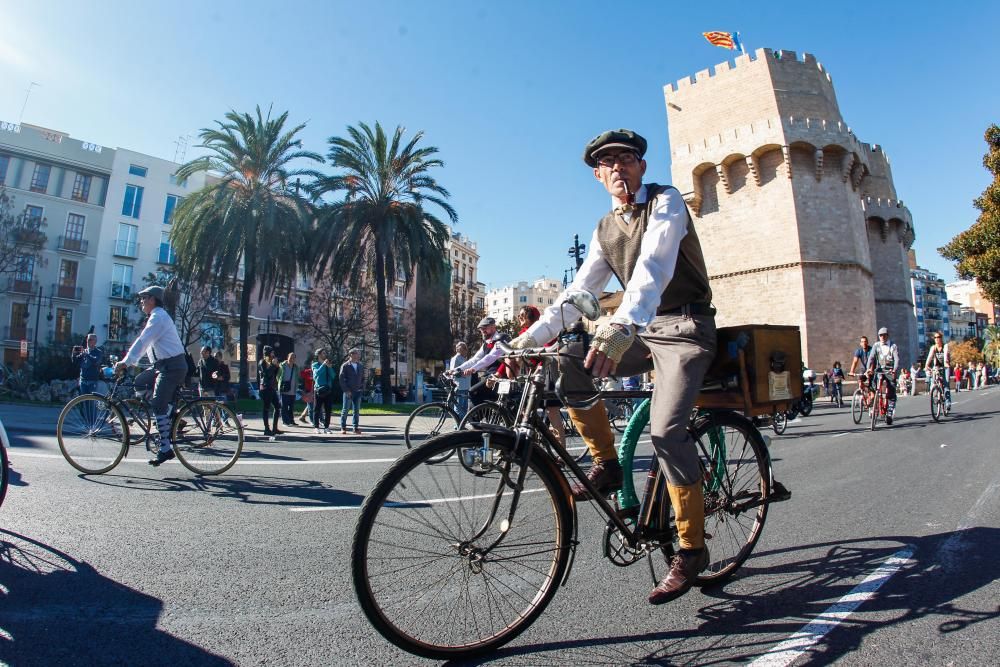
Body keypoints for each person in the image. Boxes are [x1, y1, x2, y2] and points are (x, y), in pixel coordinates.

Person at [511, 128, 717, 605]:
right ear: (597, 175)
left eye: (627, 158)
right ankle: (606, 461)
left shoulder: (666, 203)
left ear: (642, 166)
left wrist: (621, 323)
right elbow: (577, 297)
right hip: (641, 329)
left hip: (684, 327)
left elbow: (654, 264)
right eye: (608, 162)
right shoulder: (606, 228)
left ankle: (691, 548)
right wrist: (523, 342)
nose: (619, 167)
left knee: (667, 433)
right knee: (567, 357)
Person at [114, 285, 188, 466]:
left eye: (144, 298)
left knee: (158, 404)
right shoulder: (156, 317)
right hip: (163, 366)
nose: (141, 301)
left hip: (172, 367)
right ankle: (168, 414)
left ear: (152, 299)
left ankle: (165, 449)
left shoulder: (158, 317)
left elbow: (143, 340)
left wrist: (126, 362)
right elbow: (149, 348)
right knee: (140, 382)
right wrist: (130, 363)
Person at [450, 318, 512, 398]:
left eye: (485, 328)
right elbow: (475, 359)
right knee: (475, 395)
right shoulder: (486, 344)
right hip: (490, 375)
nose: (482, 331)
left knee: (473, 392)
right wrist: (456, 369)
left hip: (501, 375)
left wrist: (473, 369)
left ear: (493, 326)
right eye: (481, 329)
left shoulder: (501, 338)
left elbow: (490, 357)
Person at [866, 327, 899, 424]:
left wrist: (894, 369)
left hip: (889, 370)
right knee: (874, 385)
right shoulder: (876, 345)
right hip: (879, 370)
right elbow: (871, 358)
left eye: (884, 335)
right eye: (880, 335)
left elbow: (896, 359)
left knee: (891, 391)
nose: (882, 337)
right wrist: (868, 368)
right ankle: (874, 405)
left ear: (887, 336)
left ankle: (889, 412)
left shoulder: (893, 346)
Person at [257, 346, 282, 436]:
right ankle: (266, 429)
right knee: (266, 408)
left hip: (271, 388)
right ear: (267, 353)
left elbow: (274, 374)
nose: (273, 354)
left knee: (278, 406)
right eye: (271, 353)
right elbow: (266, 374)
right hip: (265, 388)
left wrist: (277, 367)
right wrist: (272, 365)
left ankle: (274, 428)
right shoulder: (262, 362)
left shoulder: (271, 362)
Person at [339, 348, 364, 434]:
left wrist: (362, 387)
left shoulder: (360, 365)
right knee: (345, 409)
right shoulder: (345, 365)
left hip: (358, 391)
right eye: (357, 354)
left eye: (358, 354)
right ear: (351, 355)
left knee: (356, 410)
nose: (358, 355)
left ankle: (355, 428)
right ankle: (343, 427)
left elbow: (363, 378)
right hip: (349, 392)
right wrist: (346, 390)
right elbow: (341, 379)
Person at [312, 348, 336, 434]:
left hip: (328, 390)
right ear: (318, 355)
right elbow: (316, 374)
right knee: (317, 409)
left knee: (328, 409)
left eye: (325, 353)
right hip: (318, 389)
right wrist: (323, 365)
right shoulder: (315, 364)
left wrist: (329, 368)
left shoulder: (327, 365)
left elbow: (333, 376)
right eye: (323, 353)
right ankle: (316, 427)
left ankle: (326, 427)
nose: (325, 355)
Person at [924, 333, 951, 403]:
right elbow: (930, 357)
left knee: (946, 384)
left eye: (938, 337)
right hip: (937, 366)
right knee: (934, 380)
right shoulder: (933, 347)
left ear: (941, 338)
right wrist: (926, 365)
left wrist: (945, 362)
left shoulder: (945, 346)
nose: (936, 339)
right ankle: (935, 394)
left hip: (946, 366)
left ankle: (948, 402)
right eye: (935, 337)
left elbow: (945, 355)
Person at [449, 341, 471, 417]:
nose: (466, 350)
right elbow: (453, 372)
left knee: (464, 407)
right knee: (459, 407)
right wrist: (463, 373)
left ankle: (462, 424)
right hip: (460, 386)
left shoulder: (463, 359)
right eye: (464, 348)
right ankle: (458, 425)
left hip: (465, 386)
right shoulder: (456, 358)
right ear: (459, 349)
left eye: (466, 348)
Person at [279, 352, 300, 427]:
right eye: (291, 357)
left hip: (293, 390)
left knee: (291, 407)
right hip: (284, 390)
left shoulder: (296, 367)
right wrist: (280, 385)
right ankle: (285, 421)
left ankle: (291, 421)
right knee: (284, 406)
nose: (292, 359)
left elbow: (297, 377)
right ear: (287, 357)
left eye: (294, 358)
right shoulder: (282, 365)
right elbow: (278, 376)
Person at [298, 354, 315, 425]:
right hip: (308, 390)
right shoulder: (307, 371)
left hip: (315, 390)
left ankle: (303, 416)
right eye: (313, 364)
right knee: (311, 404)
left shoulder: (317, 371)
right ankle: (311, 419)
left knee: (313, 404)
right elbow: (300, 375)